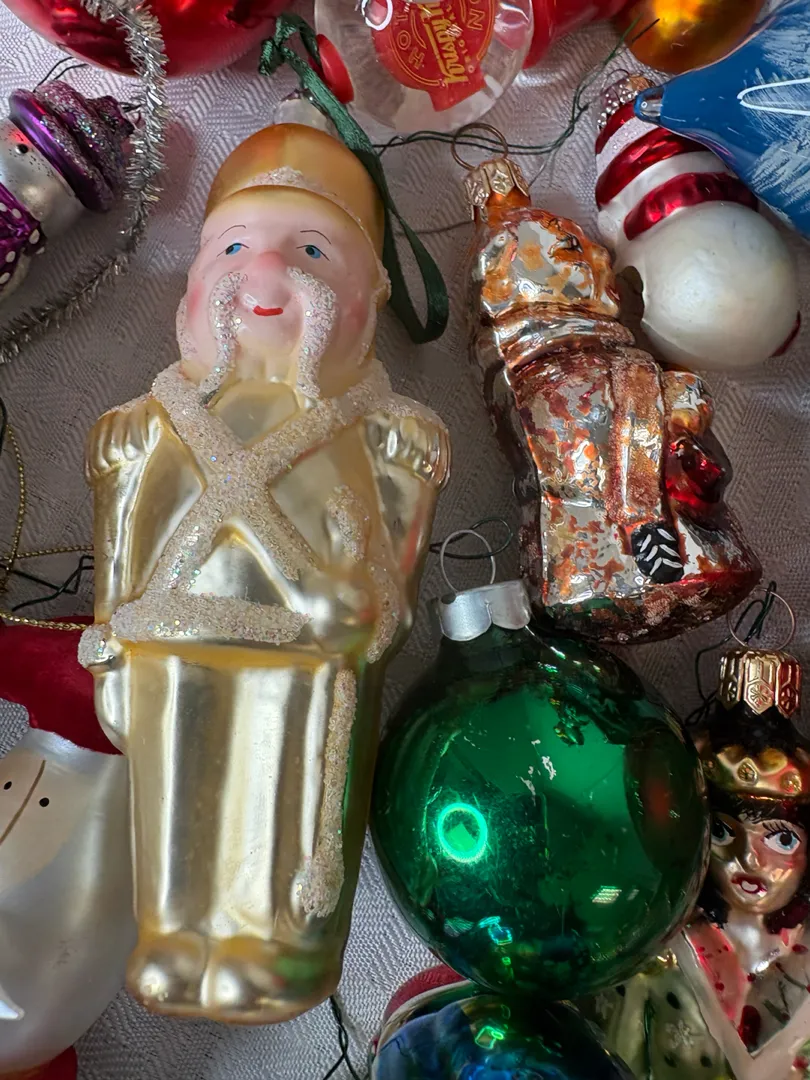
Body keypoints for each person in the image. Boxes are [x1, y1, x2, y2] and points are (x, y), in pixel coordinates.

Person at [79, 102, 450, 1024]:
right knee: (176, 785)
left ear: (368, 298)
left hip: (302, 652)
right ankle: (173, 930)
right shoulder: (150, 422)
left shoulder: (382, 431)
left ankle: (277, 942)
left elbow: (394, 586)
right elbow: (119, 538)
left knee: (284, 784)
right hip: (170, 638)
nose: (267, 273)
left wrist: (373, 599)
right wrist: (110, 642)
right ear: (190, 291)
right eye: (234, 248)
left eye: (312, 251)